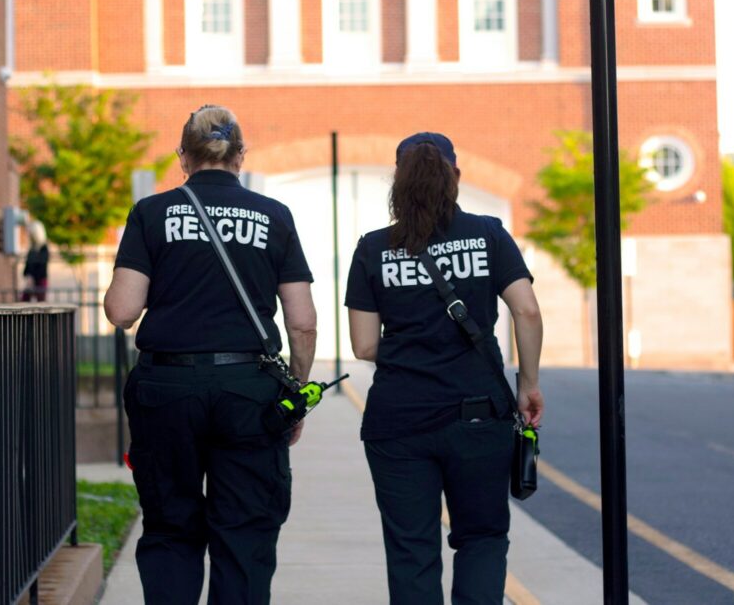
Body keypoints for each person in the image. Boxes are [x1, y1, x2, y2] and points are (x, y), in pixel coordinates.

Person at [104, 105, 317, 604]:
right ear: (240, 156)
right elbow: (302, 321)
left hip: (167, 391)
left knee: (170, 528)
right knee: (244, 532)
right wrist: (297, 391)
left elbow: (121, 309)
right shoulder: (274, 216)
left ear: (183, 157)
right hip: (248, 391)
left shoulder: (151, 213)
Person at [345, 132, 545, 605]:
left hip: (399, 419)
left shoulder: (373, 249)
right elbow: (528, 311)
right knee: (481, 537)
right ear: (455, 178)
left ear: (397, 181)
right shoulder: (489, 234)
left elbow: (363, 344)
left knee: (411, 549)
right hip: (478, 415)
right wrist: (529, 384)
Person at [20, 221, 49, 302]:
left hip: (40, 280)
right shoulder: (31, 249)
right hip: (30, 281)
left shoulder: (44, 248)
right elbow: (27, 266)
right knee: (24, 300)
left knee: (41, 303)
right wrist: (28, 276)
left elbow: (42, 266)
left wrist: (32, 277)